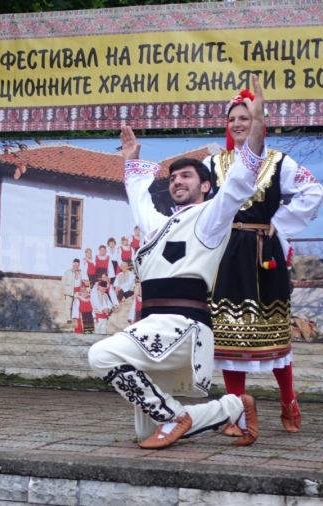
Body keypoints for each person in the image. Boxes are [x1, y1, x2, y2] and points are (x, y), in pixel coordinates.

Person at [87, 75, 271, 450]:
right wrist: (132, 162)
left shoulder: (211, 216)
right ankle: (232, 406)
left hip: (183, 328)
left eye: (186, 175)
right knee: (144, 432)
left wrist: (256, 129)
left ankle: (177, 417)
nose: (176, 181)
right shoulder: (159, 224)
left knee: (100, 354)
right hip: (154, 327)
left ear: (205, 186)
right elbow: (139, 200)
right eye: (172, 178)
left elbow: (240, 179)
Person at [207, 86, 323, 436]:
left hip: (263, 252)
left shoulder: (278, 161)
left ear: (259, 122)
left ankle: (288, 400)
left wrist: (279, 222)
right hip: (226, 253)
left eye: (245, 118)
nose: (238, 124)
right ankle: (237, 414)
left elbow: (314, 191)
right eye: (232, 119)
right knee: (230, 335)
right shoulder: (213, 163)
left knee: (272, 333)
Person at [62, 259, 86, 323]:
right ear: (73, 264)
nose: (76, 266)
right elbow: (63, 282)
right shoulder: (67, 272)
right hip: (69, 291)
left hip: (77, 292)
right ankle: (68, 318)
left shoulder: (80, 272)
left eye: (77, 265)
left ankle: (76, 317)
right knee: (68, 305)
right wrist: (65, 291)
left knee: (77, 304)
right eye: (75, 265)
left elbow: (82, 280)